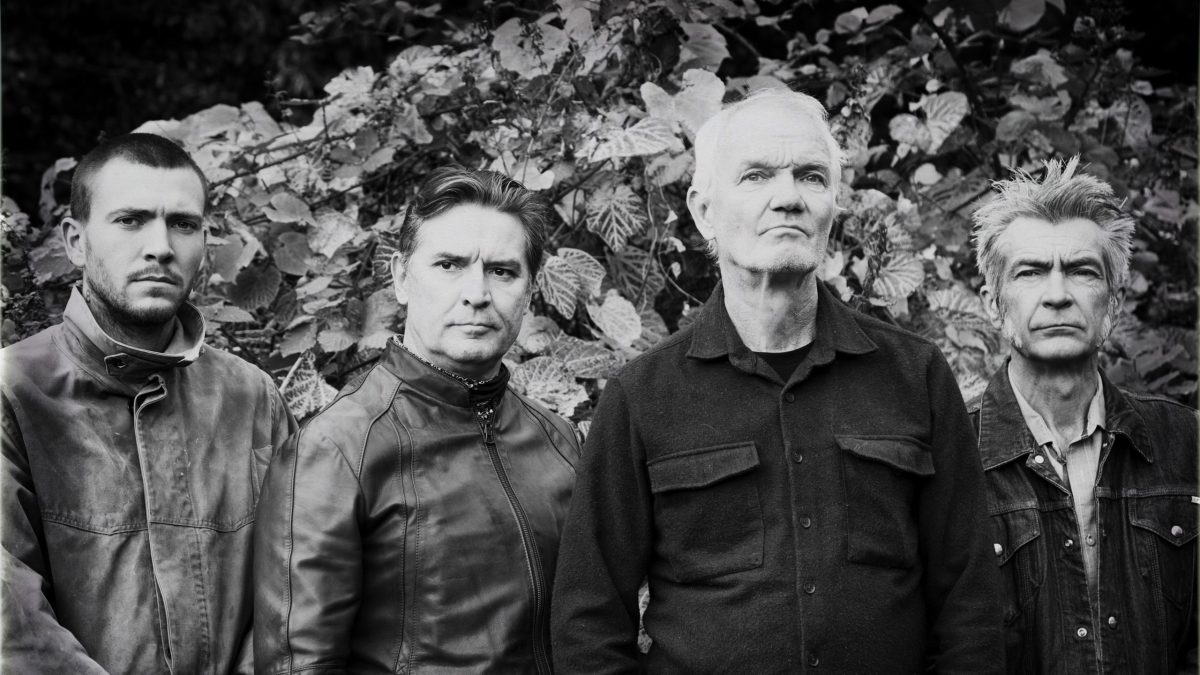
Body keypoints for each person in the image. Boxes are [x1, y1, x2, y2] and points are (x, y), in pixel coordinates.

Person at [550, 88, 1002, 673]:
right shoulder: (642, 396)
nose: (787, 197)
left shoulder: (914, 375)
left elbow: (969, 605)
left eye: (811, 177)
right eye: (757, 176)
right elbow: (587, 621)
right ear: (703, 209)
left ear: (832, 205)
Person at [254, 167, 581, 674]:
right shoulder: (337, 449)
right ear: (402, 277)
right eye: (449, 265)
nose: (477, 293)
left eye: (502, 271)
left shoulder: (559, 440)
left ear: (530, 291)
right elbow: (299, 663)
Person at [1, 133, 296, 673]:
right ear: (74, 240)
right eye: (130, 219)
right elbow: (12, 628)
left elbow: (295, 590)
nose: (160, 245)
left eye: (182, 224)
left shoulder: (252, 398)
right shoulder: (13, 391)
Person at [970, 157, 1197, 673]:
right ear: (993, 304)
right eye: (1030, 272)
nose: (1056, 295)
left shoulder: (1184, 442)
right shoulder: (950, 450)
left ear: (1113, 304)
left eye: (1081, 271)